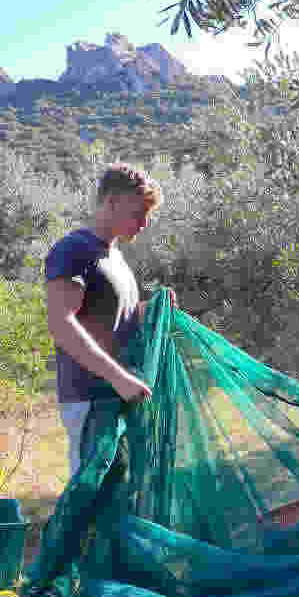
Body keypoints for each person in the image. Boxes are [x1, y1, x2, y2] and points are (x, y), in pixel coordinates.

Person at [44, 162, 177, 478]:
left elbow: (117, 322)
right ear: (112, 202)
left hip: (118, 400)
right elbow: (61, 324)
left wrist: (151, 309)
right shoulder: (73, 250)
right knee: (90, 499)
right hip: (91, 400)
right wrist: (118, 378)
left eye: (148, 215)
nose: (144, 223)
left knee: (116, 498)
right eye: (138, 212)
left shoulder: (115, 258)